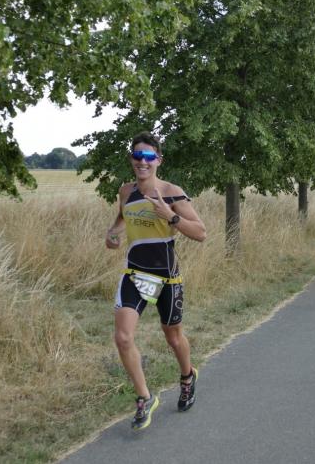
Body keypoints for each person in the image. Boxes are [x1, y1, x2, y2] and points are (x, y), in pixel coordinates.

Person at [105, 131, 207, 430]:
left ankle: (187, 377)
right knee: (123, 337)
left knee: (173, 338)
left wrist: (170, 216)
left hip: (166, 278)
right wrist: (113, 234)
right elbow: (121, 218)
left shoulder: (172, 192)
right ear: (131, 159)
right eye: (138, 155)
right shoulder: (126, 191)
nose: (143, 162)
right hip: (135, 274)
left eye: (149, 156)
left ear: (159, 160)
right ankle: (145, 397)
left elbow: (201, 233)